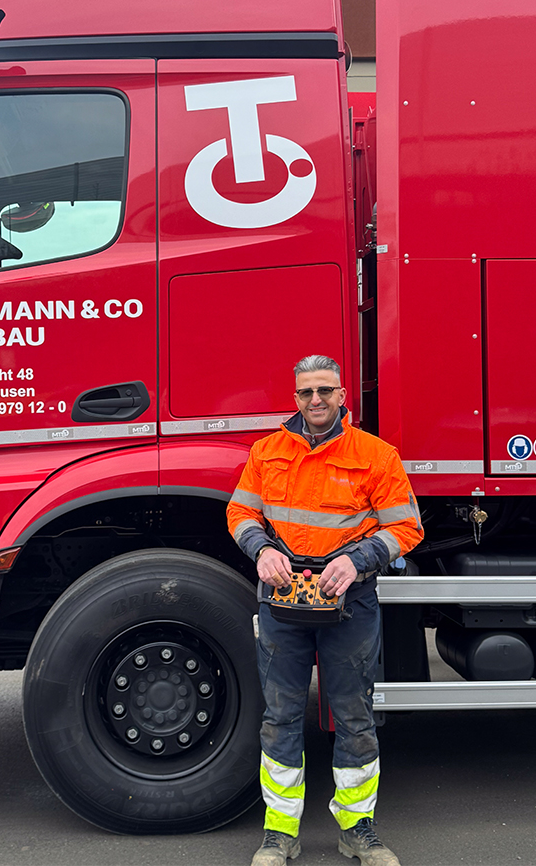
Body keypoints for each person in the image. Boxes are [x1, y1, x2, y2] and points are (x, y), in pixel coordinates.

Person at [227, 355, 423, 866]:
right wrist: (260, 550)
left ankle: (357, 830)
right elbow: (240, 511)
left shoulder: (376, 455)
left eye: (325, 390)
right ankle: (279, 834)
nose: (316, 400)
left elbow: (406, 527)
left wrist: (358, 560)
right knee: (281, 716)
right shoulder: (267, 452)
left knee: (355, 715)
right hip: (283, 598)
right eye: (306, 392)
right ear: (295, 398)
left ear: (342, 396)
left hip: (350, 600)